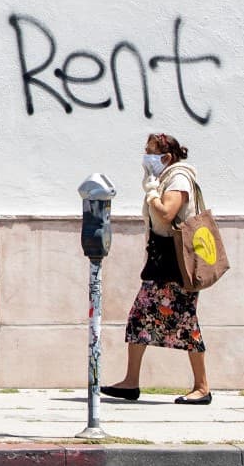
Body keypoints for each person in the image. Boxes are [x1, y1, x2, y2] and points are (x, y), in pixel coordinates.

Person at [101, 133, 212, 405]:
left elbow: (166, 214)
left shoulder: (178, 178)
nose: (146, 157)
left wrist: (151, 193)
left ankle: (202, 387)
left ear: (166, 157)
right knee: (140, 318)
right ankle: (131, 382)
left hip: (176, 264)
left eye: (151, 152)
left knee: (186, 322)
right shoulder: (166, 177)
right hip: (161, 261)